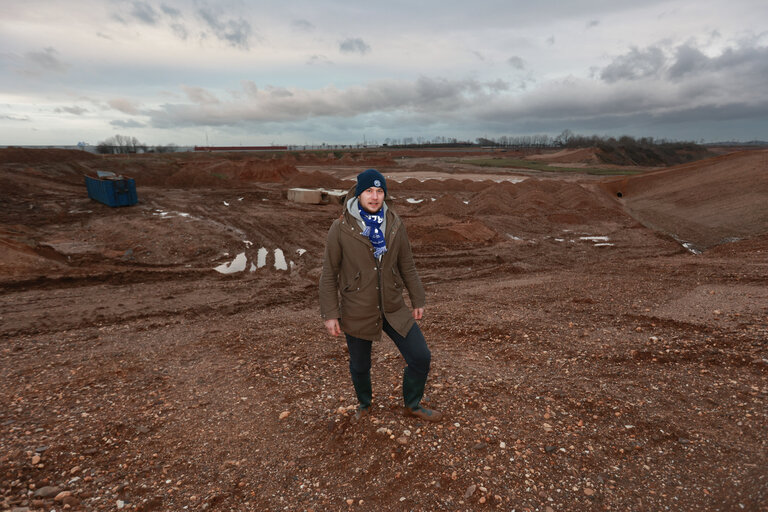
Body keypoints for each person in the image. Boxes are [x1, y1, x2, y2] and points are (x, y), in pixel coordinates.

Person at [319, 168, 442, 422]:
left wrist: (417, 298)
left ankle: (413, 405)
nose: (374, 197)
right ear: (359, 193)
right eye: (369, 191)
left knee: (421, 356)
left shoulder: (395, 224)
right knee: (360, 366)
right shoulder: (340, 228)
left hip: (393, 306)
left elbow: (407, 264)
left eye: (379, 191)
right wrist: (330, 313)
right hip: (358, 308)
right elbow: (329, 273)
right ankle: (365, 405)